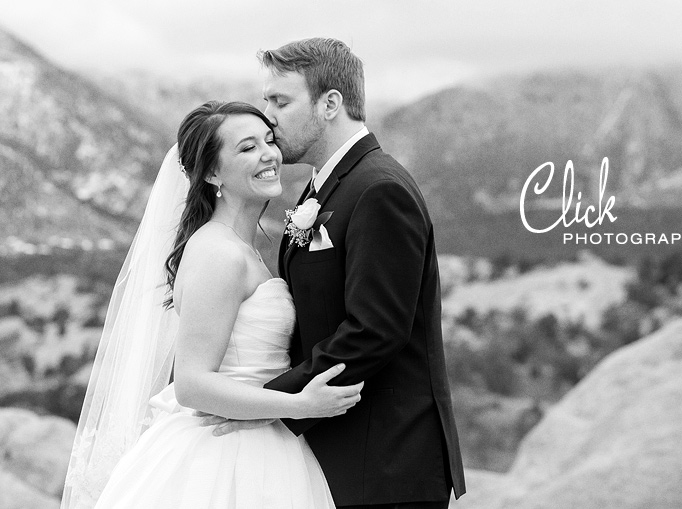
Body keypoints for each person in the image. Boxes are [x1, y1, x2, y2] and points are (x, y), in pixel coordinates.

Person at [204, 38, 467, 508]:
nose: (268, 116)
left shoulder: (379, 189)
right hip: (338, 457)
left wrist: (268, 404)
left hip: (383, 465)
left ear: (330, 104)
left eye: (280, 101)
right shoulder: (324, 187)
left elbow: (375, 330)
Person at [61, 101, 363, 508]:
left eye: (269, 141)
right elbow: (192, 382)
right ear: (211, 173)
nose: (268, 154)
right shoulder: (219, 254)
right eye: (246, 148)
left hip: (262, 440)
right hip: (226, 454)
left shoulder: (240, 248)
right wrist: (299, 404)